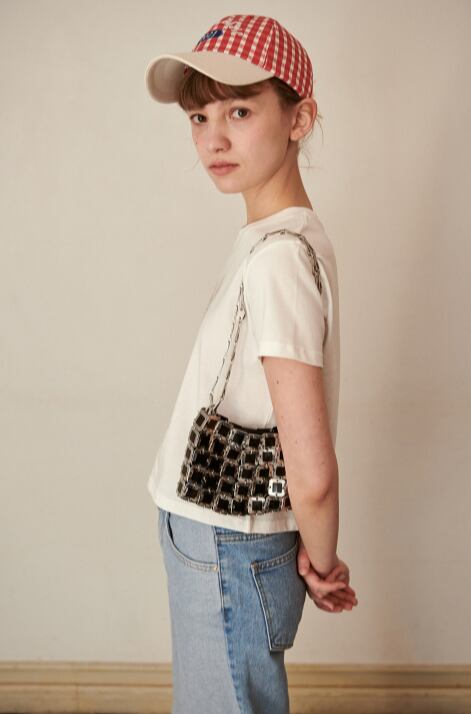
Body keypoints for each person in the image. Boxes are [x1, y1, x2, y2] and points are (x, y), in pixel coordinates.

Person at [145, 14, 358, 714]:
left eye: (239, 110)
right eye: (199, 116)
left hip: (225, 541)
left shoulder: (277, 262)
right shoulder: (282, 240)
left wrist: (321, 562)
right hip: (222, 539)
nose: (213, 137)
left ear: (300, 119)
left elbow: (312, 470)